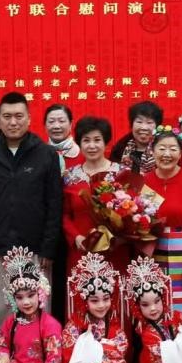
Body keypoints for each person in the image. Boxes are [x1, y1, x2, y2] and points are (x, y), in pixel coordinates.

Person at [0, 91, 63, 334]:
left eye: (19, 116)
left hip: (36, 249)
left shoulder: (46, 155)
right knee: (2, 311)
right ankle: (4, 356)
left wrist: (49, 248)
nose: (13, 122)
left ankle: (42, 355)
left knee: (38, 307)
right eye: (7, 116)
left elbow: (54, 204)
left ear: (29, 119)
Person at [60, 253, 131, 363]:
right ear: (84, 301)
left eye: (106, 299)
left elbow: (121, 350)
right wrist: (105, 350)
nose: (101, 305)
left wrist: (91, 352)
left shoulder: (112, 322)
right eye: (94, 300)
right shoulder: (74, 325)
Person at [144, 128, 182, 316]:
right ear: (152, 151)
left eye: (173, 149)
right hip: (155, 252)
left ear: (180, 153)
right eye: (162, 148)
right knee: (158, 305)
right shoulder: (147, 181)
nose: (167, 154)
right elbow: (144, 219)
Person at [62, 115, 127, 279]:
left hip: (114, 250)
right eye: (86, 140)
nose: (92, 146)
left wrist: (120, 237)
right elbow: (63, 214)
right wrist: (75, 236)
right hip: (81, 249)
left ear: (106, 142)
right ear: (79, 143)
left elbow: (132, 211)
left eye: (97, 140)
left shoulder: (122, 174)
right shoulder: (69, 176)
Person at [110, 100, 163, 175]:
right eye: (139, 122)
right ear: (131, 124)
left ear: (157, 127)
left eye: (149, 122)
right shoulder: (120, 149)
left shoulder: (163, 149)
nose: (144, 127)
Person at [44, 104, 82, 168]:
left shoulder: (84, 154)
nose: (56, 126)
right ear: (45, 125)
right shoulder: (38, 155)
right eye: (51, 121)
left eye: (61, 121)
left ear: (71, 124)